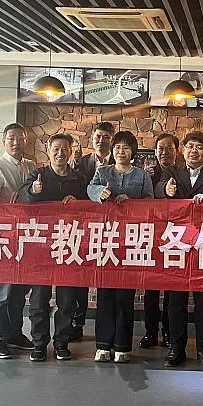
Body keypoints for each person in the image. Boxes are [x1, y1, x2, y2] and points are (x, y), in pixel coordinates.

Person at [154, 131, 203, 368]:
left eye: (199, 147)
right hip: (177, 245)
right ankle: (176, 349)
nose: (193, 151)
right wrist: (165, 191)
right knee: (175, 301)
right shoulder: (172, 173)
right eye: (190, 146)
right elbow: (157, 191)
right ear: (183, 150)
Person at [18, 133, 88, 362]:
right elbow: (21, 200)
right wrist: (34, 191)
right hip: (40, 246)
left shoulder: (79, 179)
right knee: (39, 300)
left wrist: (78, 203)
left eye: (64, 149)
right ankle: (39, 344)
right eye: (56, 148)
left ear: (71, 152)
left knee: (67, 300)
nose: (60, 153)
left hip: (68, 245)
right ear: (48, 151)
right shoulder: (38, 175)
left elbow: (90, 208)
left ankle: (61, 343)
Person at [88, 131, 154, 363]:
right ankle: (103, 346)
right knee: (105, 294)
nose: (121, 151)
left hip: (131, 242)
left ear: (132, 151)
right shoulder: (103, 172)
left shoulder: (142, 175)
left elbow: (150, 202)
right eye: (117, 147)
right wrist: (100, 193)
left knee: (126, 295)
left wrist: (132, 202)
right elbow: (90, 188)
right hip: (106, 239)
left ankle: (122, 346)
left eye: (126, 147)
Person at [0, 123, 38, 359]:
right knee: (2, 293)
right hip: (4, 238)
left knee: (19, 292)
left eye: (20, 139)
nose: (16, 143)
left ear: (26, 141)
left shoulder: (31, 166)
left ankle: (15, 333)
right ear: (4, 141)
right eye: (11, 139)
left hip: (27, 237)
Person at [72, 121, 114, 340]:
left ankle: (108, 329)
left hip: (112, 229)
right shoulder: (81, 162)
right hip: (84, 226)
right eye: (98, 136)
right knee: (80, 276)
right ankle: (77, 323)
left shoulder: (120, 161)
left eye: (106, 137)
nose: (101, 140)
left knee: (108, 278)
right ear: (91, 138)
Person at [139, 133, 179, 349]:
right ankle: (151, 332)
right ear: (155, 152)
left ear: (177, 151)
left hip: (175, 237)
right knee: (151, 289)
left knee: (172, 289)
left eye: (169, 148)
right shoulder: (145, 174)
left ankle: (169, 332)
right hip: (151, 236)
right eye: (160, 149)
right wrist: (145, 178)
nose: (165, 153)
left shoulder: (181, 173)